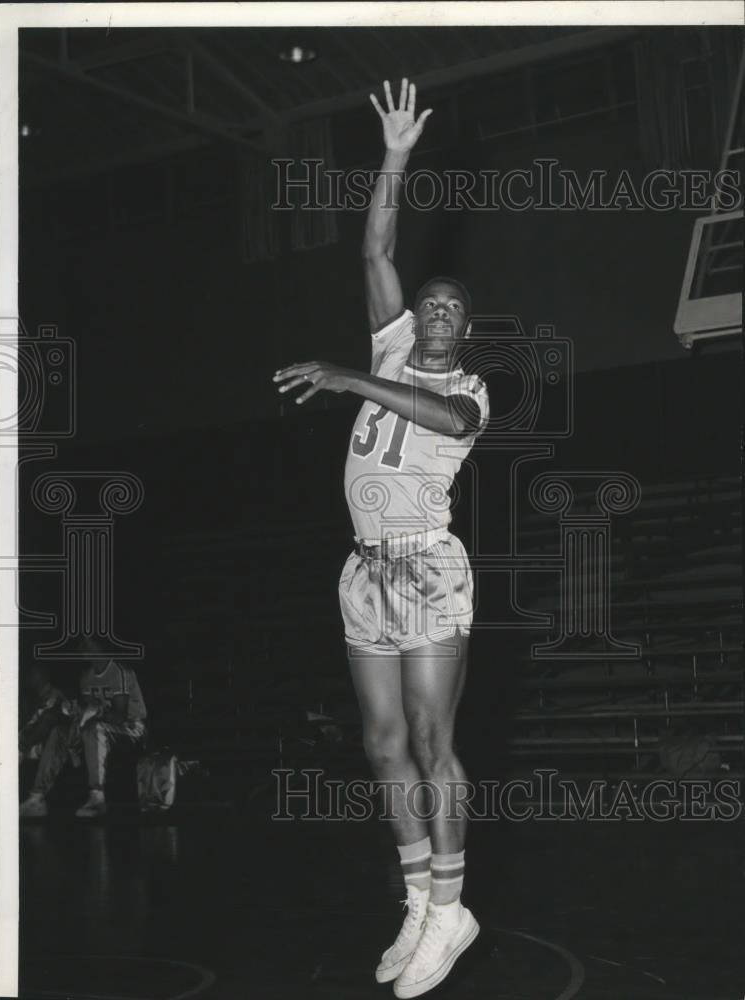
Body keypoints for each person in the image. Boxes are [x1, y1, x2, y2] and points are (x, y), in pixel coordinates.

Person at [273, 79, 488, 998]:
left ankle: (454, 907)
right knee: (379, 743)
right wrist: (394, 157)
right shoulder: (386, 346)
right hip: (362, 574)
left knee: (436, 741)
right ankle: (418, 899)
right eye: (424, 305)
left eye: (447, 309)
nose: (432, 311)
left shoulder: (471, 394)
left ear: (464, 330)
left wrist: (349, 379)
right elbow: (377, 245)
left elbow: (428, 414)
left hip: (429, 573)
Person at [19, 640, 148, 819]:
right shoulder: (86, 677)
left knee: (95, 728)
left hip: (132, 729)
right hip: (99, 728)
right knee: (60, 732)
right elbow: (87, 712)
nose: (83, 649)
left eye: (88, 644)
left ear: (100, 645)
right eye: (81, 646)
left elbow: (119, 716)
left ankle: (97, 798)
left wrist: (98, 711)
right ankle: (36, 798)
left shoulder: (120, 671)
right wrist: (73, 711)